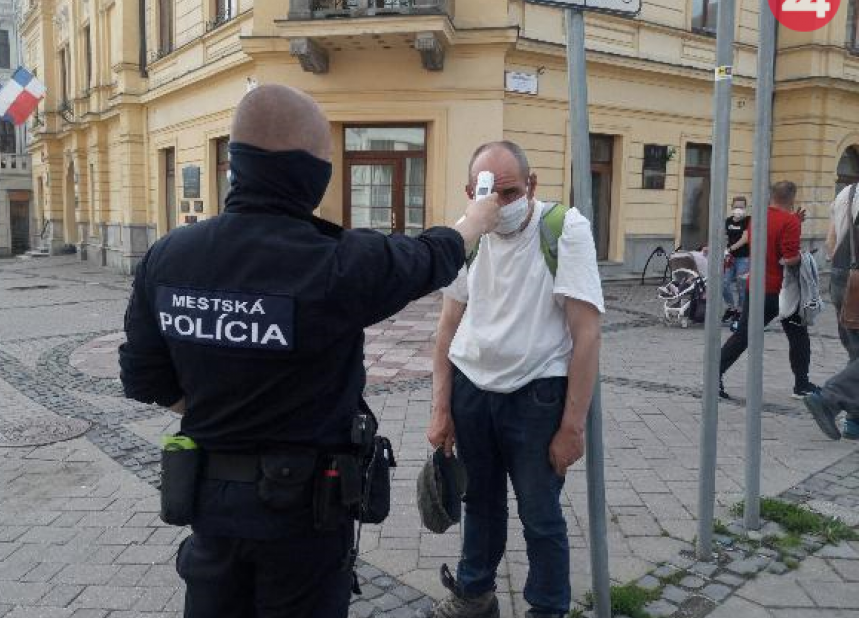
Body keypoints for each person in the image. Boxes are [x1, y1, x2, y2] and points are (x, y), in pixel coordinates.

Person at [119, 84, 500, 618]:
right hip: (304, 519)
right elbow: (427, 257)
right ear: (309, 172)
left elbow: (142, 378)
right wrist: (475, 221)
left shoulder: (168, 257)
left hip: (211, 505)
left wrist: (217, 412)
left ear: (237, 162)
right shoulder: (336, 265)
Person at [426, 141, 604, 618]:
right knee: (479, 503)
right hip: (472, 391)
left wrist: (572, 427)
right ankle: (474, 595)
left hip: (536, 396)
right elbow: (447, 327)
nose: (501, 204)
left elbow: (586, 335)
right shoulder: (470, 235)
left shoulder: (562, 228)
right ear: (471, 191)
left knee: (540, 515)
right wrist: (441, 409)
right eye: (491, 193)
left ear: (531, 186)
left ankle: (547, 608)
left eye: (511, 191)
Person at [719, 181, 816, 400]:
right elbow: (789, 258)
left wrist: (794, 222)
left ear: (772, 195)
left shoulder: (757, 219)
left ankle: (714, 376)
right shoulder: (789, 221)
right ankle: (802, 385)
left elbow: (769, 241)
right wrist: (807, 257)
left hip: (756, 286)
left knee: (743, 335)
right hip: (782, 291)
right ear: (792, 198)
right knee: (799, 336)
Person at [805, 183, 859, 440]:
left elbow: (831, 241)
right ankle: (830, 398)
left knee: (856, 351)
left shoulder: (847, 192)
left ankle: (855, 422)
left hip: (841, 275)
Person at [723, 196, 750, 323]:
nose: (738, 209)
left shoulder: (748, 220)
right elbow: (724, 236)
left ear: (745, 208)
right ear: (732, 207)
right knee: (724, 283)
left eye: (741, 207)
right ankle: (731, 307)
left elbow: (745, 238)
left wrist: (730, 249)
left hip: (743, 258)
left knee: (741, 285)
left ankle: (740, 310)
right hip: (730, 258)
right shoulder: (728, 221)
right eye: (736, 206)